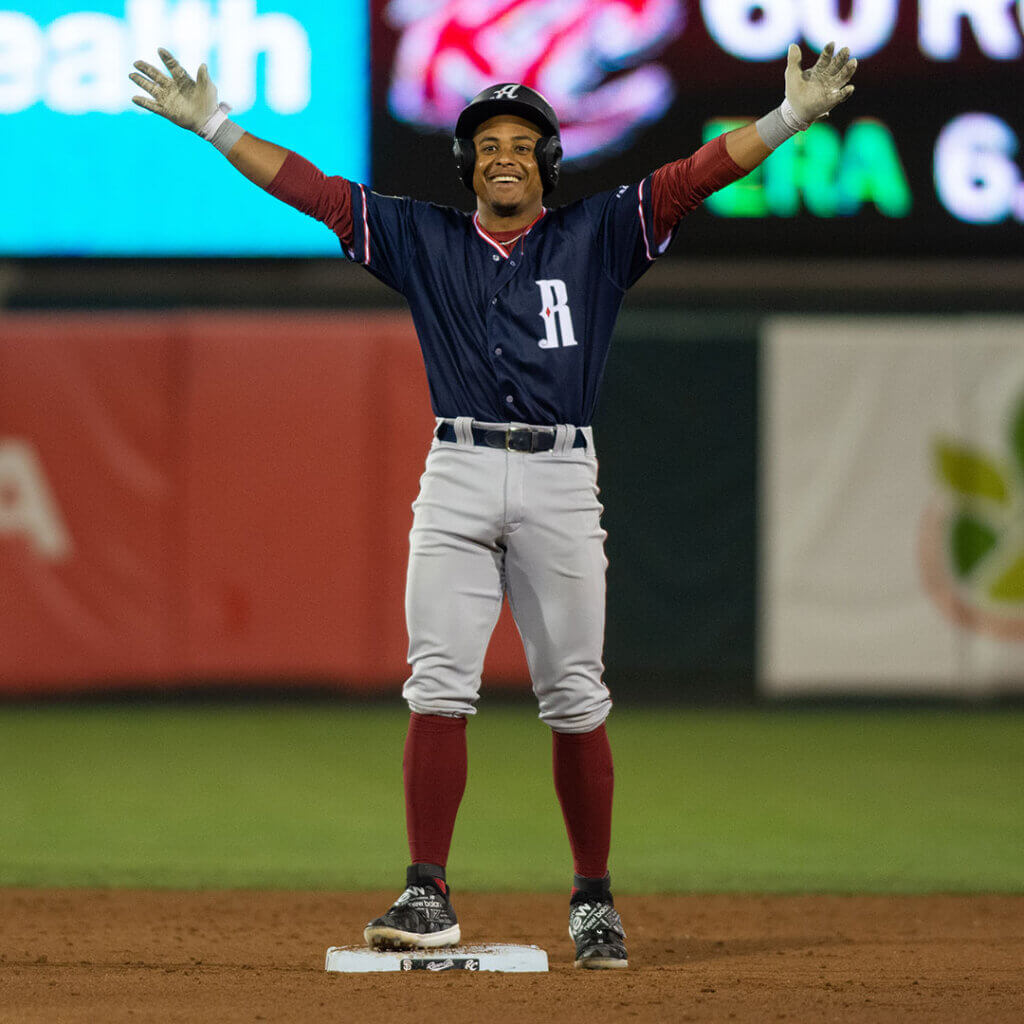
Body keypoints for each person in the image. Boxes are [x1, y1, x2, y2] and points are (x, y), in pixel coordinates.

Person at [130, 42, 856, 969]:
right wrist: (215, 126)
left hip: (560, 475)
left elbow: (691, 177)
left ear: (547, 161)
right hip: (460, 470)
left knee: (575, 697)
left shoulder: (598, 233)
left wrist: (789, 117)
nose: (503, 153)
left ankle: (593, 897)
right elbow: (314, 191)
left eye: (522, 141)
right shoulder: (425, 238)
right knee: (437, 685)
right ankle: (427, 890)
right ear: (467, 162)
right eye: (486, 142)